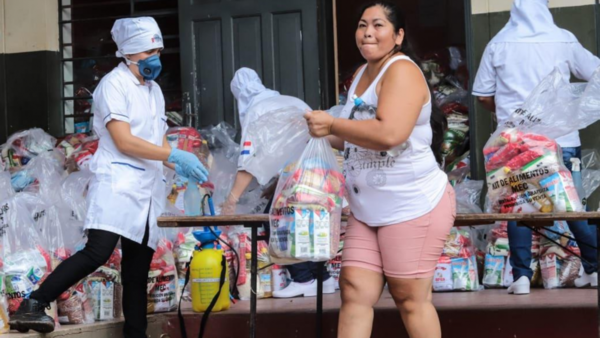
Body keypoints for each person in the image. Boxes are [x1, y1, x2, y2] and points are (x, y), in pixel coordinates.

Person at [8, 17, 208, 337]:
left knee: (137, 268)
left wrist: (182, 167)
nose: (155, 58)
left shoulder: (153, 90)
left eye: (158, 50)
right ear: (129, 52)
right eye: (148, 52)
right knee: (97, 251)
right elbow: (125, 141)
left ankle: (135, 333)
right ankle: (32, 304)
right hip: (117, 183)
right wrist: (172, 155)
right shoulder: (113, 86)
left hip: (147, 188)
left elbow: (158, 140)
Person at [304, 2, 454, 338]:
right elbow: (356, 139)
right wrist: (320, 134)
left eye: (378, 25)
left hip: (410, 204)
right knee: (355, 291)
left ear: (398, 36)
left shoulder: (401, 70)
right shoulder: (361, 73)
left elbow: (389, 134)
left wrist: (333, 124)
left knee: (409, 298)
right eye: (361, 25)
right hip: (366, 208)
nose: (367, 32)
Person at [472, 0, 599, 295]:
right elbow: (596, 71)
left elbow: (482, 95)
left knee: (517, 207)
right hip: (563, 141)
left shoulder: (498, 43)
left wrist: (510, 113)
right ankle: (593, 269)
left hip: (515, 145)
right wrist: (575, 105)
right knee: (573, 208)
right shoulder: (564, 39)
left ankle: (521, 277)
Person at [223, 68, 336, 298]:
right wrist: (274, 187)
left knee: (278, 220)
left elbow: (248, 161)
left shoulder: (256, 111)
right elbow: (289, 152)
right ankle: (323, 278)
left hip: (298, 180)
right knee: (310, 223)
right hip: (319, 175)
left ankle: (303, 278)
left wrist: (231, 200)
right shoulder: (290, 101)